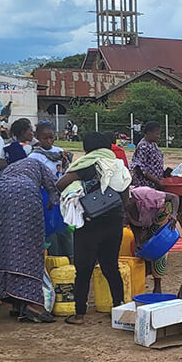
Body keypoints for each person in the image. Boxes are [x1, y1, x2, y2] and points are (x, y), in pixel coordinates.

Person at [57, 133, 133, 325]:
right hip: (114, 222)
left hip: (90, 222)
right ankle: (118, 307)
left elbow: (60, 184)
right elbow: (126, 197)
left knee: (83, 269)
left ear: (87, 149)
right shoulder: (118, 166)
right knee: (110, 267)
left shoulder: (87, 165)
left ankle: (80, 314)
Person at [0, 156, 60, 322]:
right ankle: (33, 306)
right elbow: (55, 187)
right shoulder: (37, 165)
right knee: (27, 250)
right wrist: (53, 203)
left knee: (2, 249)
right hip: (24, 195)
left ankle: (15, 301)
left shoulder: (9, 171)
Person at [29, 122, 73, 259]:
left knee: (64, 226)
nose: (49, 141)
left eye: (51, 137)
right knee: (49, 227)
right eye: (45, 138)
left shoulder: (59, 153)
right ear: (38, 138)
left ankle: (70, 255)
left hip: (60, 194)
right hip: (44, 195)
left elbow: (65, 172)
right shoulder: (34, 157)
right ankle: (54, 256)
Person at [128, 185, 178, 293]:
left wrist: (174, 215)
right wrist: (138, 241)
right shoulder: (124, 209)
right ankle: (144, 277)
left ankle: (157, 284)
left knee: (159, 248)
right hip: (147, 221)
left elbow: (174, 197)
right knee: (142, 248)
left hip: (161, 212)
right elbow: (134, 226)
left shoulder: (146, 194)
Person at [131, 122, 166, 190]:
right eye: (157, 134)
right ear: (149, 133)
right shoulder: (143, 146)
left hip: (155, 182)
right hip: (146, 185)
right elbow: (142, 169)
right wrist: (157, 181)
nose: (159, 136)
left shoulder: (153, 144)